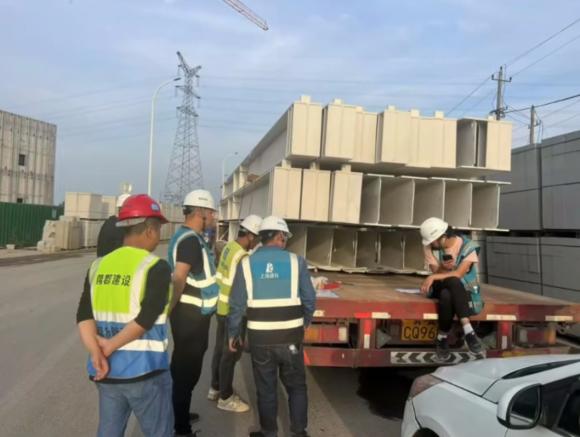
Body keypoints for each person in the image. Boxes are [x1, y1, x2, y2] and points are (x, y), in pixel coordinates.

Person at [76, 194, 173, 437]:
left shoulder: (98, 265)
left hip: (106, 372)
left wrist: (96, 352)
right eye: (158, 229)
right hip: (145, 371)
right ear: (150, 230)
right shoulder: (156, 267)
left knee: (109, 431)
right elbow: (146, 318)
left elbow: (84, 315)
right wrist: (109, 347)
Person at [228, 216, 316, 437]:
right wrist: (305, 322)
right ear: (279, 236)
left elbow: (237, 304)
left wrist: (233, 334)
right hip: (291, 340)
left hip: (260, 341)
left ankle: (269, 432)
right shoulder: (297, 262)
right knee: (296, 386)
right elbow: (309, 299)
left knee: (266, 388)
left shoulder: (246, 263)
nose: (285, 241)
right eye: (284, 237)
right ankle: (299, 433)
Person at [168, 189, 220, 437]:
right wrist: (170, 308)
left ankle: (180, 411)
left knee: (188, 369)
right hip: (189, 316)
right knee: (185, 371)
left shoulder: (193, 238)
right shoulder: (189, 240)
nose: (214, 216)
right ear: (200, 212)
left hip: (195, 314)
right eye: (211, 212)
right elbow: (179, 277)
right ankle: (181, 428)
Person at [209, 214, 262, 413]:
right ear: (250, 236)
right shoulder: (242, 257)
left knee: (219, 351)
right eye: (256, 239)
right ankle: (225, 397)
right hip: (233, 312)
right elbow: (243, 288)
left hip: (221, 307)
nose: (256, 243)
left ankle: (215, 388)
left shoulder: (229, 247)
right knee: (230, 355)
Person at [419, 217, 485, 361]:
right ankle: (469, 331)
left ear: (442, 237)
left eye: (432, 241)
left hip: (462, 288)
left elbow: (459, 274)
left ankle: (442, 338)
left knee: (447, 295)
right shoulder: (429, 247)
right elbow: (436, 272)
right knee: (451, 283)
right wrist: (442, 268)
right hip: (441, 284)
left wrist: (432, 277)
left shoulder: (468, 247)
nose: (430, 244)